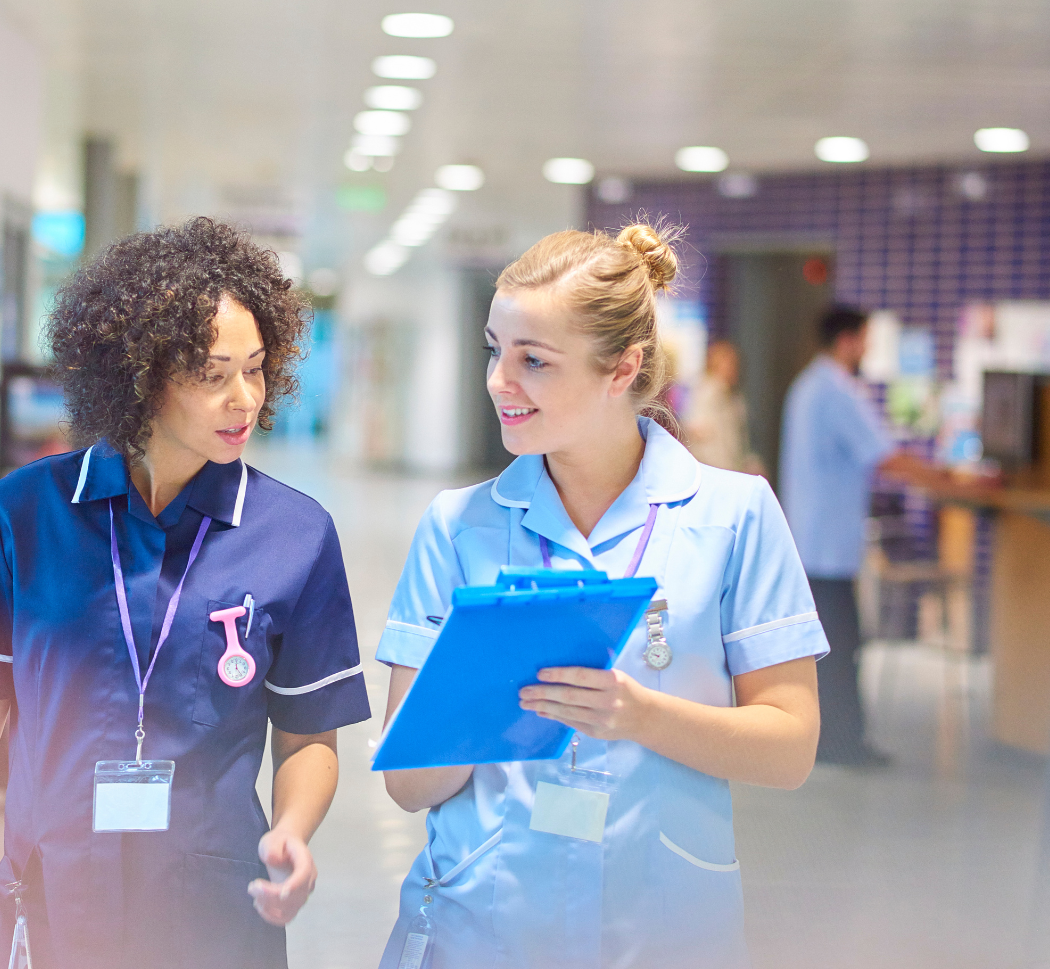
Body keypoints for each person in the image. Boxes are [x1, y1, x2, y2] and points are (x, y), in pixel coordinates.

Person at [0, 217, 372, 969]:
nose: (245, 398)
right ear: (139, 377)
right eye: (213, 375)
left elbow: (310, 736)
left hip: (213, 917)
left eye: (256, 367)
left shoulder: (294, 535)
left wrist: (292, 831)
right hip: (49, 905)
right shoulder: (27, 514)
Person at [376, 224, 826, 969]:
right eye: (495, 349)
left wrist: (639, 715)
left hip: (662, 926)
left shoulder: (735, 516)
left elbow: (790, 749)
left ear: (623, 368)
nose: (498, 380)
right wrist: (475, 691)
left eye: (534, 361)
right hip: (482, 921)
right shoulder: (459, 528)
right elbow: (408, 785)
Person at [779, 306, 940, 767]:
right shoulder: (835, 390)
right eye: (865, 339)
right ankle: (841, 744)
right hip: (827, 548)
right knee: (841, 650)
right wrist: (948, 480)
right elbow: (885, 456)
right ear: (849, 340)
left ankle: (832, 741)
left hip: (812, 541)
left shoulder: (809, 385)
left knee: (831, 650)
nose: (867, 348)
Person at [684, 339, 763, 474]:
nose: (733, 368)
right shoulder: (706, 394)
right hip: (715, 472)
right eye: (728, 362)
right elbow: (701, 438)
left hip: (732, 471)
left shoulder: (735, 399)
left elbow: (741, 443)